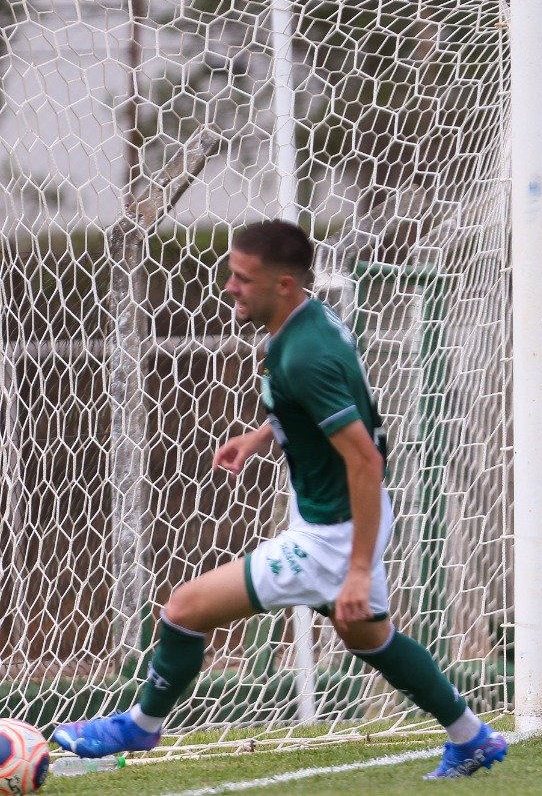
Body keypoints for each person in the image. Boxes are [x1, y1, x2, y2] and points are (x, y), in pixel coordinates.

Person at [53, 220, 507, 779]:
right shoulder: (308, 321)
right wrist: (262, 435)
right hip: (340, 514)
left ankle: (140, 726)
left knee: (184, 609)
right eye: (230, 274)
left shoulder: (302, 355)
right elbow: (314, 410)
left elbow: (365, 459)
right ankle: (472, 737)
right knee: (373, 639)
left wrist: (357, 570)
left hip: (331, 537)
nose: (229, 287)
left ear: (285, 284)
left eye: (243, 278)